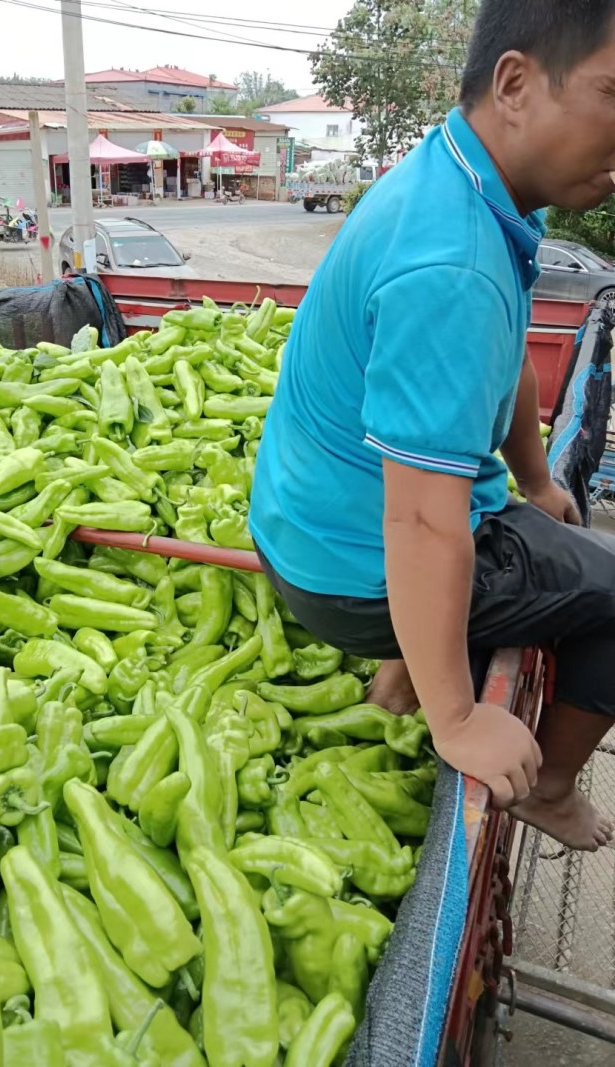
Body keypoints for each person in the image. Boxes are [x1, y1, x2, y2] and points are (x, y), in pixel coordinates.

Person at [249, 0, 615, 852]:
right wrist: (458, 718)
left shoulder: (464, 179)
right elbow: (419, 519)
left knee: (541, 541)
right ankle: (549, 787)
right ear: (515, 83)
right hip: (350, 569)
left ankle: (403, 664)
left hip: (304, 525)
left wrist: (535, 479)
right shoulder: (451, 263)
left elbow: (510, 354)